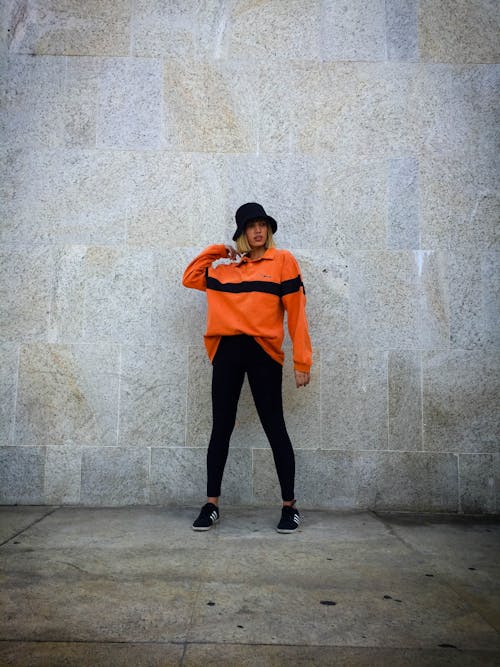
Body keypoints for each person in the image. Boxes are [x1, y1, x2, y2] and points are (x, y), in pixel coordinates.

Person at [182, 202, 312, 533]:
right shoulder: (225, 268)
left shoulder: (283, 262)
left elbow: (296, 313)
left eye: (263, 225)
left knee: (275, 426)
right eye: (251, 226)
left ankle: (289, 507)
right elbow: (190, 277)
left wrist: (302, 360)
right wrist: (219, 251)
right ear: (241, 233)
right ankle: (211, 504)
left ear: (268, 230)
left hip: (263, 353)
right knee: (221, 428)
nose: (258, 231)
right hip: (227, 351)